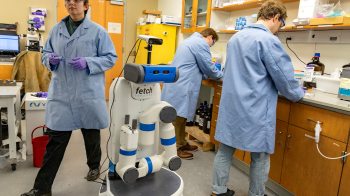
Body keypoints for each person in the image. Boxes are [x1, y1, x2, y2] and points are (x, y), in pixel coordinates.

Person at [22, 0, 117, 195]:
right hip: (62, 95)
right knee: (55, 143)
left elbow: (110, 57)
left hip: (87, 94)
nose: (71, 3)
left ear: (85, 5)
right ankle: (41, 189)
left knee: (91, 135)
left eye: (76, 1)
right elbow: (44, 54)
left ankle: (93, 166)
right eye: (68, 1)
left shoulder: (98, 32)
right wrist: (50, 60)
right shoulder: (56, 30)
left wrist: (88, 62)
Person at [211, 1, 304, 195]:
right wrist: (297, 94)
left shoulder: (237, 38)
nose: (280, 28)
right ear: (275, 18)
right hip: (255, 108)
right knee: (260, 156)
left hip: (231, 105)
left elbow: (230, 70)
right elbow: (284, 77)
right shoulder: (268, 40)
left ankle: (217, 191)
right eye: (282, 23)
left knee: (225, 150)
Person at [161, 28, 223, 160]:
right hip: (182, 84)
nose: (210, 46)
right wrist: (222, 75)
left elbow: (198, 65)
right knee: (178, 117)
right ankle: (176, 148)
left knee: (181, 116)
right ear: (210, 37)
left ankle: (182, 143)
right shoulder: (200, 43)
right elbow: (208, 66)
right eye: (212, 43)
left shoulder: (190, 41)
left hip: (178, 82)